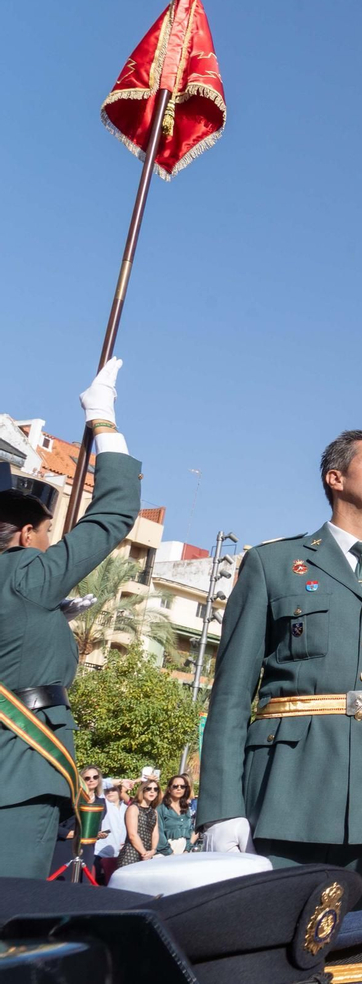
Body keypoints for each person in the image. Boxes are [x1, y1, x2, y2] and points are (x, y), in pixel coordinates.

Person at [198, 430, 362, 908]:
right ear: (335, 478)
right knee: (275, 948)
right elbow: (232, 695)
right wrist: (220, 808)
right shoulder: (273, 564)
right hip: (287, 793)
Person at [0, 361, 138, 880]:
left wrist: (45, 622)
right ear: (30, 533)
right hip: (15, 774)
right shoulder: (28, 572)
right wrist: (102, 417)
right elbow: (113, 514)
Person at [119, 778, 165, 865]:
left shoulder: (154, 811)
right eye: (148, 789)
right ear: (142, 790)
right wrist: (144, 853)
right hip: (131, 854)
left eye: (155, 789)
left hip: (148, 855)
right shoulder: (134, 808)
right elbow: (132, 835)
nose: (152, 791)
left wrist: (153, 850)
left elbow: (155, 834)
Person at [93, 779, 126, 883]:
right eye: (107, 790)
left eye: (113, 790)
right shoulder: (104, 803)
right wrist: (122, 781)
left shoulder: (127, 808)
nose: (110, 792)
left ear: (119, 792)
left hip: (120, 854)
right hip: (100, 852)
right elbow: (100, 783)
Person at [157, 775, 194, 854]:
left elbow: (189, 831)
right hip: (165, 852)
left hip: (183, 852)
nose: (179, 788)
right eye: (175, 786)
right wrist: (169, 853)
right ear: (169, 789)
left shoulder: (186, 808)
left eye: (182, 786)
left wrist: (187, 849)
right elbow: (158, 833)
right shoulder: (161, 808)